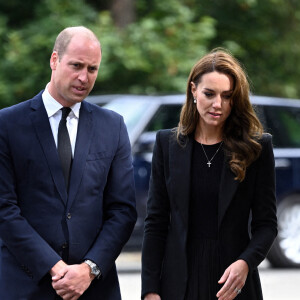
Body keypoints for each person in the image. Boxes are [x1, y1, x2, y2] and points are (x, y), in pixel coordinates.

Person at [0, 26, 137, 300]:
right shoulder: (7, 124)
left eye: (92, 69)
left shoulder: (113, 126)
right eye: (76, 65)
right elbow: (4, 209)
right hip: (25, 286)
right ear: (54, 60)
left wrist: (89, 269)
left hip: (95, 288)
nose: (84, 77)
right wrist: (54, 268)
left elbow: (122, 210)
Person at [141, 49, 277, 300]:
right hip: (178, 284)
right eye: (209, 94)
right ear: (193, 90)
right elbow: (156, 223)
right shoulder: (167, 145)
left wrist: (245, 263)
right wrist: (150, 290)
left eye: (227, 96)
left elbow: (266, 225)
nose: (218, 105)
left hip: (233, 284)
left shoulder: (256, 148)